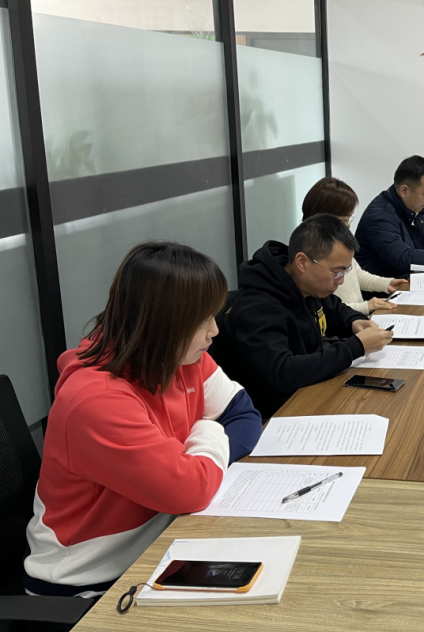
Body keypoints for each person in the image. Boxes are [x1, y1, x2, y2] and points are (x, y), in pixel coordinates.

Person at [24, 243, 262, 597]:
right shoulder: (97, 401)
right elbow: (191, 490)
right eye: (202, 320)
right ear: (163, 323)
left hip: (160, 544)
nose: (214, 330)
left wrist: (198, 464)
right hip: (88, 581)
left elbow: (243, 413)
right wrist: (208, 430)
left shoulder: (182, 356)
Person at [211, 215, 393, 419]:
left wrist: (354, 322)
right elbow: (282, 373)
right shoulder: (256, 307)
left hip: (309, 391)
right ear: (302, 262)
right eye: (336, 272)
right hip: (274, 414)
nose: (340, 281)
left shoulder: (307, 286)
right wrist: (355, 347)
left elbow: (335, 310)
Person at [301, 177, 408, 315]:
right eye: (343, 221)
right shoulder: (313, 257)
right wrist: (366, 306)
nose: (348, 226)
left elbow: (357, 274)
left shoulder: (339, 245)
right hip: (345, 323)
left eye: (349, 219)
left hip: (357, 319)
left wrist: (387, 284)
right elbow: (328, 310)